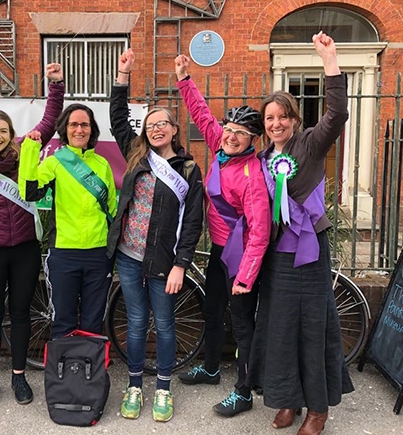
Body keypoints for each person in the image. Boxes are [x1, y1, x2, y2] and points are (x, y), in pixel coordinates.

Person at [245, 31, 355, 435]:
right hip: (276, 255)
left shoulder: (309, 144)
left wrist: (330, 62)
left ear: (295, 119)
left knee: (311, 326)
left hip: (308, 251)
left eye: (283, 117)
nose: (276, 124)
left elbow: (338, 115)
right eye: (269, 118)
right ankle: (287, 399)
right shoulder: (260, 157)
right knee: (279, 325)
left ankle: (318, 409)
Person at [108, 48, 203, 423]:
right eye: (150, 125)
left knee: (164, 325)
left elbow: (193, 222)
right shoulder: (137, 154)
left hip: (164, 261)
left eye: (163, 124)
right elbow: (118, 120)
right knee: (134, 322)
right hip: (129, 257)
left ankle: (162, 388)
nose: (156, 129)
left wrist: (181, 265)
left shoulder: (189, 168)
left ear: (174, 129)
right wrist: (122, 76)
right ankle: (134, 385)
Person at [173, 55, 271, 417]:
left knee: (243, 324)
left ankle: (244, 392)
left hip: (241, 258)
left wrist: (246, 277)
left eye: (239, 134)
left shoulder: (253, 175)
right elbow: (201, 114)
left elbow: (260, 231)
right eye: (227, 129)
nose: (229, 136)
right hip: (218, 249)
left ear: (252, 140)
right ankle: (212, 369)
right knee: (212, 311)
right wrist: (185, 79)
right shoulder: (222, 148)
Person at [0, 64, 65, 410]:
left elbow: (49, 123)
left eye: (3, 130)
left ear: (11, 133)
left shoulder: (25, 152)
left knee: (21, 314)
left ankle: (19, 376)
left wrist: (55, 86)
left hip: (24, 248)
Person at [18, 103, 116, 340]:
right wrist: (31, 149)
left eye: (85, 124)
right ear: (65, 129)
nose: (79, 130)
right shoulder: (55, 162)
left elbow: (112, 210)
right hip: (64, 252)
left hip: (98, 253)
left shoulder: (103, 165)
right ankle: (63, 375)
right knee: (63, 320)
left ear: (92, 130)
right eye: (74, 124)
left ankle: (90, 375)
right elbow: (29, 192)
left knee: (94, 322)